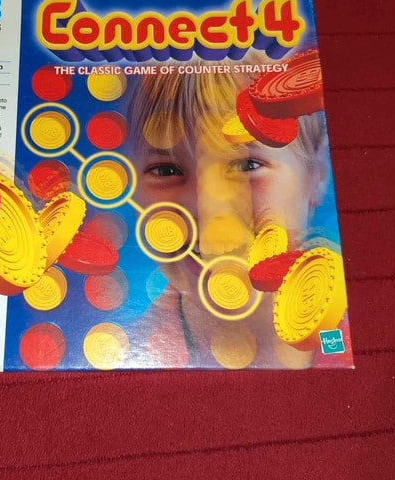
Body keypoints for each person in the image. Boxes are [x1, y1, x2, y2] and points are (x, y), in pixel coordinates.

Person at [125, 56, 331, 369]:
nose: (209, 208)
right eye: (166, 170)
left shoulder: (349, 336)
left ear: (317, 174)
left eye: (247, 165)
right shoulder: (127, 348)